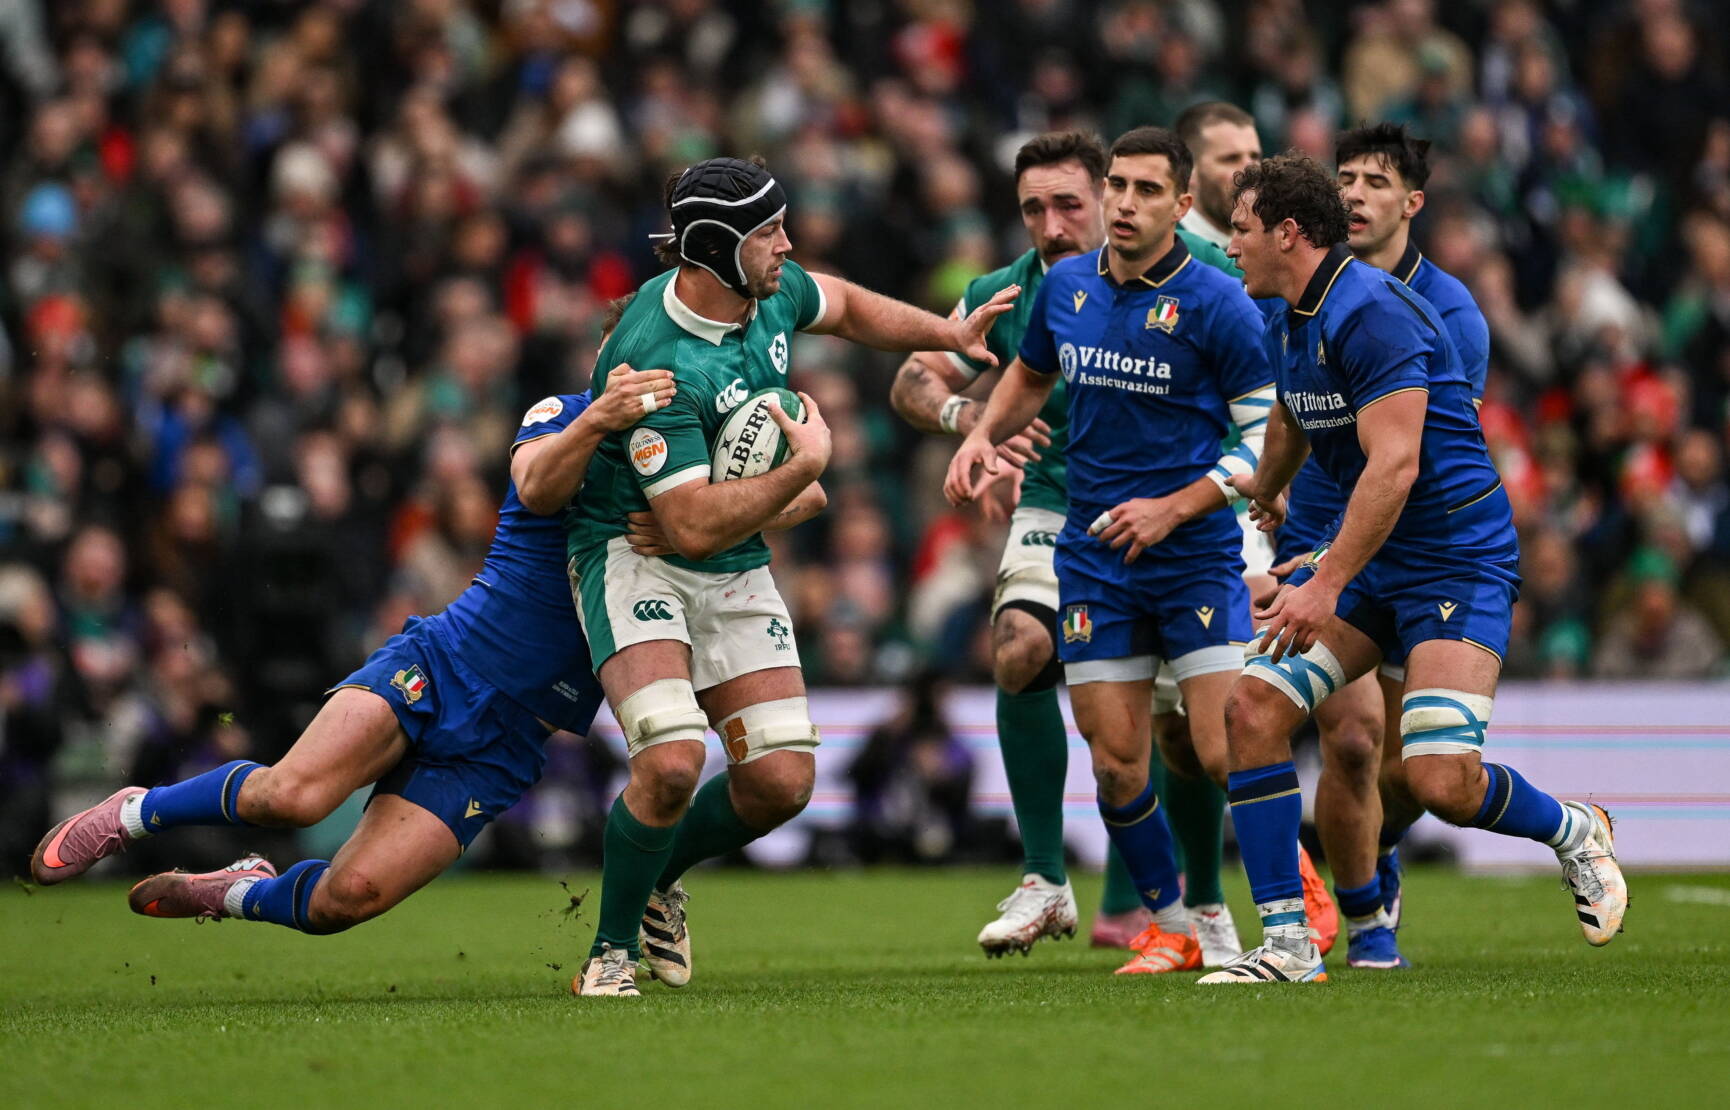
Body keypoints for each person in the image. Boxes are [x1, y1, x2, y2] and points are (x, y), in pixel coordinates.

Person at [29, 302, 675, 939]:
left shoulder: (673, 470)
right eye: (618, 352)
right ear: (600, 356)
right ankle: (133, 814)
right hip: (447, 664)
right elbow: (537, 487)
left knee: (345, 899)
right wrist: (599, 418)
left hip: (511, 740)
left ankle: (237, 890)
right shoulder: (560, 416)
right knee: (290, 796)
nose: (629, 368)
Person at [563, 156, 1015, 996]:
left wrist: (946, 336)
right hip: (634, 551)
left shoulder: (763, 290)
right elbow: (687, 526)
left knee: (781, 783)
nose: (788, 244)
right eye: (768, 232)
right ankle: (609, 952)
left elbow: (840, 304)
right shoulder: (655, 362)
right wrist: (806, 466)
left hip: (723, 547)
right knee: (667, 763)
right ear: (713, 249)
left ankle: (660, 877)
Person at [1205, 152, 1626, 985]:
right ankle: (1288, 945)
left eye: (1241, 231)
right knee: (1253, 710)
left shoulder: (1374, 314)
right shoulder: (1287, 312)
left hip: (1453, 560)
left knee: (1438, 779)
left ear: (1288, 233)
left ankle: (1575, 829)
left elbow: (1394, 467)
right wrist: (1270, 486)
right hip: (1371, 556)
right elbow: (1294, 408)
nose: (1230, 248)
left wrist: (1323, 582)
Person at [890, 130, 1254, 961]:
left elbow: (1266, 405)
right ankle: (1046, 878)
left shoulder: (1204, 276)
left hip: (1186, 510)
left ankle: (1200, 905)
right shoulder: (1013, 290)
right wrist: (972, 429)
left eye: (1068, 205)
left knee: (1184, 731)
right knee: (1020, 648)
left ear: (1114, 198)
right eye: (1032, 210)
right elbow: (915, 377)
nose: (1050, 225)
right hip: (1064, 506)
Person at [1283, 121, 1493, 970]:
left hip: (1412, 548)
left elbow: (1426, 453)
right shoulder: (1298, 293)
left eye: (1374, 181)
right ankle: (1366, 918)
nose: (1354, 194)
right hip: (1320, 542)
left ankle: (1378, 855)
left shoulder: (1451, 314)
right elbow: (1293, 409)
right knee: (1355, 741)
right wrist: (1269, 486)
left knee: (1412, 771)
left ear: (1412, 202)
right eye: (1344, 179)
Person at [1175, 102, 1264, 252]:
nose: (1251, 171)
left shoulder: (1266, 250)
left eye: (1254, 156)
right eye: (1231, 158)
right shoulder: (1164, 251)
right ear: (1188, 170)